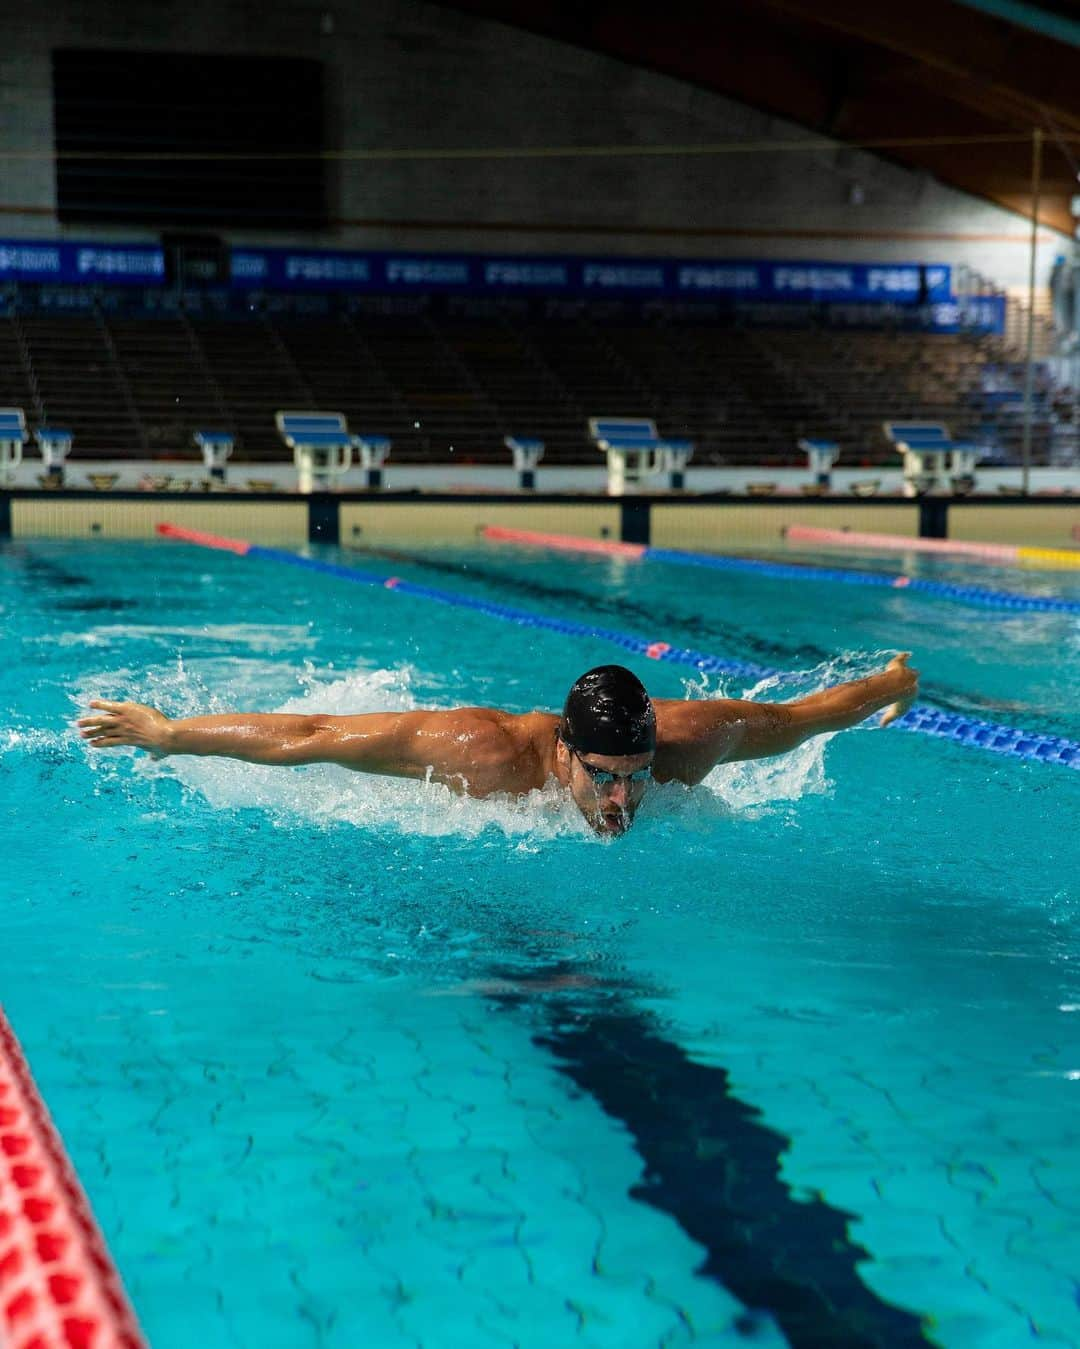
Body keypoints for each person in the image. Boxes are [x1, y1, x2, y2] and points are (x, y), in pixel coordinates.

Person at [77, 654, 918, 837]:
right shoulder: (481, 755)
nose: (623, 801)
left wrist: (886, 687)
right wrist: (172, 733)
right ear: (563, 754)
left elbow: (805, 715)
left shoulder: (689, 746)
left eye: (636, 776)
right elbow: (317, 736)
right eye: (605, 780)